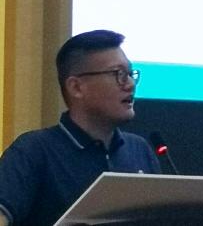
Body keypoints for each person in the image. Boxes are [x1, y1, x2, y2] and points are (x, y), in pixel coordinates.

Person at [0, 30, 160, 226]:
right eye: (118, 74)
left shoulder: (139, 150)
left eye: (130, 74)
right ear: (76, 87)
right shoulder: (34, 151)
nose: (130, 85)